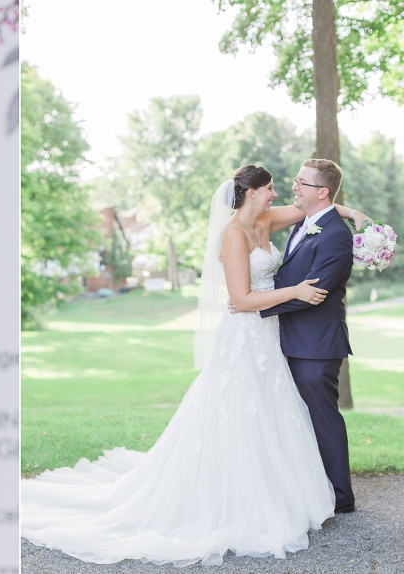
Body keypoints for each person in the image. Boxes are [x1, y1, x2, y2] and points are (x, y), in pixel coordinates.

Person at [21, 165, 369, 567]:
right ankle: (232, 498)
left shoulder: (267, 219)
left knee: (273, 415)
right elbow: (239, 299)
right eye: (271, 188)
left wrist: (353, 214)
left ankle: (279, 490)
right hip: (244, 333)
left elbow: (318, 208)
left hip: (270, 338)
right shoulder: (234, 234)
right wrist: (294, 290)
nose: (278, 193)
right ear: (251, 192)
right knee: (235, 413)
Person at [258, 158, 363, 513]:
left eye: (301, 182)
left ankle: (340, 496)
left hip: (316, 346)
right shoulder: (308, 220)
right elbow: (293, 283)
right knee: (301, 417)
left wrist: (256, 306)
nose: (294, 187)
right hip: (293, 339)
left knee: (322, 417)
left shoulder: (334, 235)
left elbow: (312, 292)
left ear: (321, 191)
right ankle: (313, 487)